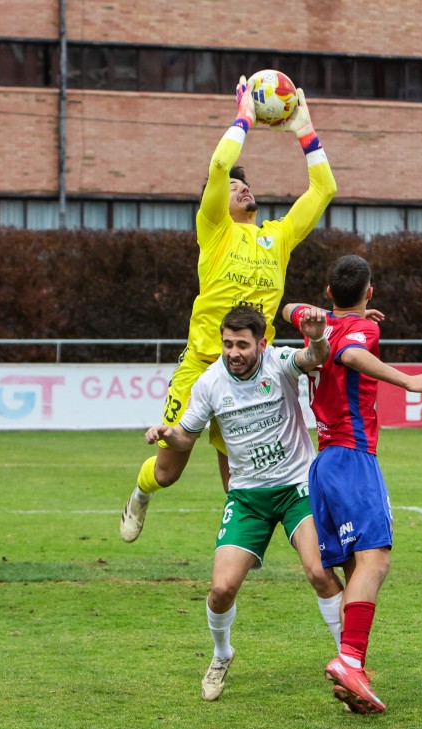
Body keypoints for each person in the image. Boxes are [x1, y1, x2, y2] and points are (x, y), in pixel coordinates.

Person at [121, 73, 337, 543]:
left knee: (237, 478)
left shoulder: (277, 236)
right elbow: (221, 166)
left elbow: (324, 191)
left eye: (245, 184)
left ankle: (242, 548)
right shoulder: (214, 230)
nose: (241, 188)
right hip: (202, 364)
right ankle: (140, 494)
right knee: (167, 471)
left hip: (256, 372)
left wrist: (305, 129)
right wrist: (243, 116)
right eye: (234, 187)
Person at [144, 305, 344, 702]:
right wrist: (168, 434)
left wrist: (318, 337)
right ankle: (221, 656)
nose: (232, 352)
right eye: (227, 343)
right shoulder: (210, 381)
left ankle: (348, 661)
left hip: (296, 488)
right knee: (220, 589)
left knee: (319, 573)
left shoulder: (279, 362)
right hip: (247, 497)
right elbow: (188, 435)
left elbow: (314, 357)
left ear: (261, 344)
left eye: (241, 344)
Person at [283, 255, 422, 714]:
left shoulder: (315, 322)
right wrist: (407, 380)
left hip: (324, 462)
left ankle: (354, 677)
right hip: (353, 457)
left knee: (356, 566)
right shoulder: (363, 332)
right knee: (376, 560)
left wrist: (327, 319)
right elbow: (350, 354)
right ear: (370, 292)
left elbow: (290, 308)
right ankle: (350, 658)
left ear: (329, 293)